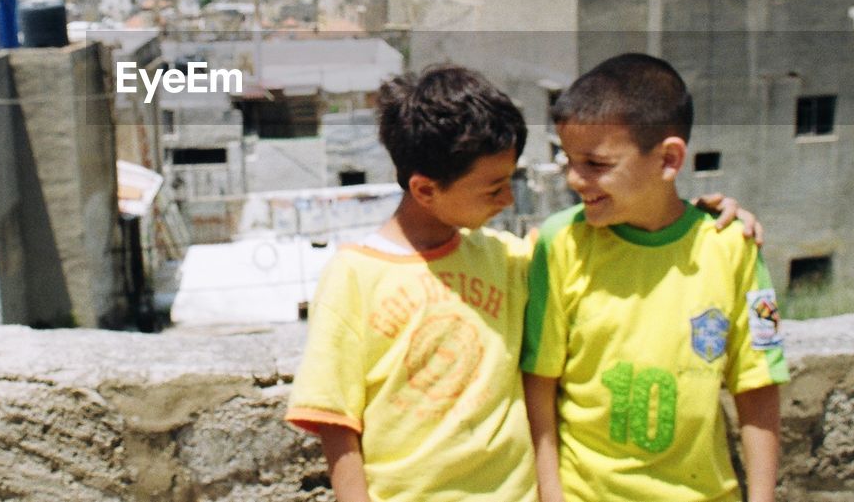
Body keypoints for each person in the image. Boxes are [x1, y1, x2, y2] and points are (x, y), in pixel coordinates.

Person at [285, 65, 760, 501]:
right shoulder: (353, 275)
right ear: (426, 190)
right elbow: (336, 422)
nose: (509, 199)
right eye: (493, 188)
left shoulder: (507, 260)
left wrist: (704, 216)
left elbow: (617, 229)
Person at [521, 53, 787, 502]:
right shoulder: (560, 244)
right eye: (567, 159)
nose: (573, 178)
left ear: (668, 159)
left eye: (596, 164)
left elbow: (757, 385)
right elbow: (539, 388)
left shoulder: (732, 247)